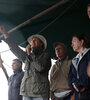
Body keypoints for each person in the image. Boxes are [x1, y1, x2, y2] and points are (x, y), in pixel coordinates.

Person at [0, 26, 51, 100]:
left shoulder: (45, 55)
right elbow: (15, 49)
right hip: (26, 92)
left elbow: (41, 68)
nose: (32, 42)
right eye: (31, 41)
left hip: (40, 93)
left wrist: (30, 55)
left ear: (41, 44)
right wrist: (5, 33)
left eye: (35, 41)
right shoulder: (27, 56)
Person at [68, 33, 90, 100]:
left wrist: (81, 85)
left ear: (81, 42)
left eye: (74, 41)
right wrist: (76, 85)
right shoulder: (74, 60)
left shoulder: (89, 54)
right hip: (78, 94)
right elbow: (70, 77)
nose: (72, 45)